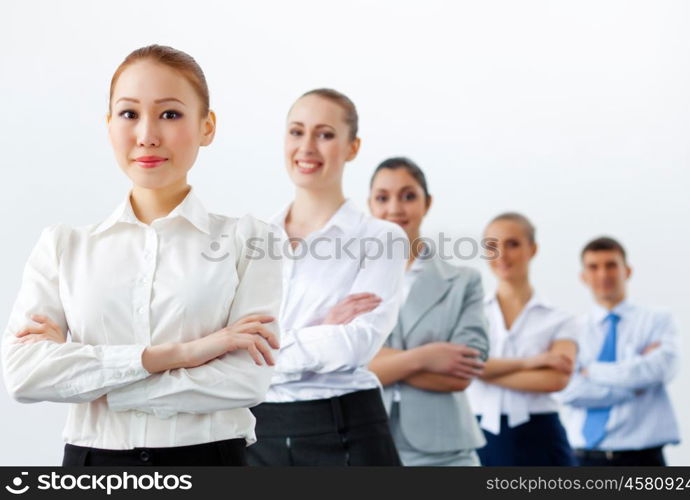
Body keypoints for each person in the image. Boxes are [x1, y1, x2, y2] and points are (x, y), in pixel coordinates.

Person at [1, 45, 283, 466]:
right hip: (92, 467)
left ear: (208, 127)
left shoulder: (252, 241)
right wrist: (183, 354)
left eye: (170, 114)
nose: (147, 135)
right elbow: (24, 374)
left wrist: (97, 382)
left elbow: (244, 381)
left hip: (210, 462)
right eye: (129, 114)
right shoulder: (63, 247)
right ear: (109, 124)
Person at [246, 89, 406, 466]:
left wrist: (263, 348)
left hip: (346, 427)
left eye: (325, 134)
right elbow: (222, 347)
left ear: (353, 147)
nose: (307, 147)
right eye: (296, 132)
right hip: (256, 432)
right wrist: (322, 328)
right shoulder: (249, 240)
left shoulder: (380, 238)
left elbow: (355, 345)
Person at [367, 157, 489, 466]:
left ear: (427, 202)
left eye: (408, 196)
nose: (395, 208)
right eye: (383, 197)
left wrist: (378, 362)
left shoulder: (463, 281)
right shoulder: (347, 281)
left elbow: (462, 372)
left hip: (446, 453)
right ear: (370, 205)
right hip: (366, 443)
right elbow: (341, 367)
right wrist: (426, 357)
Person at [557, 237, 680, 466]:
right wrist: (635, 384)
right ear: (583, 277)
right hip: (585, 459)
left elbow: (662, 370)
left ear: (628, 270)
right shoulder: (570, 330)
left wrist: (590, 371)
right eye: (593, 267)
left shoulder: (657, 320)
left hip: (644, 458)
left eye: (611, 265)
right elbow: (566, 390)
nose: (603, 274)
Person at [467, 212, 577, 466]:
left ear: (533, 249)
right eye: (493, 246)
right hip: (480, 435)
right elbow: (466, 366)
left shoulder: (560, 319)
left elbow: (555, 378)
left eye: (513, 244)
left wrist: (486, 370)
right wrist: (533, 362)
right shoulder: (470, 314)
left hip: (541, 435)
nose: (502, 255)